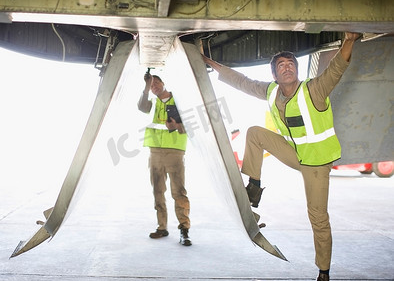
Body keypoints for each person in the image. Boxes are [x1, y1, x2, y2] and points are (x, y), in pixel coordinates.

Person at [202, 32, 360, 281]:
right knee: (255, 133)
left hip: (316, 162)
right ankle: (253, 190)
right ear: (275, 75)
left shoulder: (314, 90)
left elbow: (336, 69)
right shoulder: (271, 91)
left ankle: (324, 271)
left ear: (296, 70)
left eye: (291, 65)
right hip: (294, 152)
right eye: (281, 66)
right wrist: (210, 63)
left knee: (318, 216)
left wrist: (349, 41)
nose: (287, 69)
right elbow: (242, 81)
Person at [137, 71, 192, 246]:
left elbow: (191, 127)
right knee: (158, 191)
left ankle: (184, 230)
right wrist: (146, 86)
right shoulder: (151, 103)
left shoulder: (180, 101)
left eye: (156, 84)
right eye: (151, 86)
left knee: (178, 192)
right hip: (155, 152)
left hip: (175, 151)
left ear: (163, 83)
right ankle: (162, 227)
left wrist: (177, 126)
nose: (154, 88)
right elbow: (141, 107)